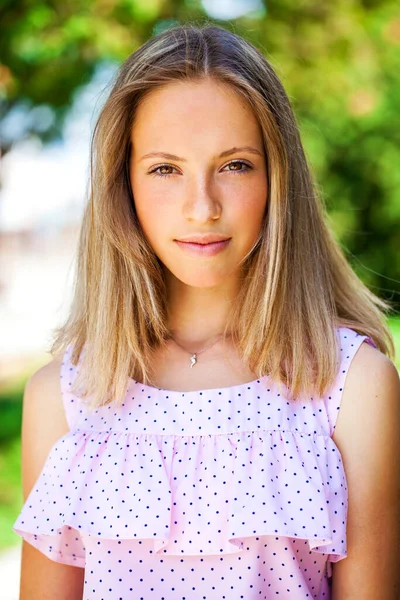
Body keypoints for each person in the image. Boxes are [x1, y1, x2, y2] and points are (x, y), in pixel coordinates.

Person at [13, 22, 400, 600]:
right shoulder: (65, 397)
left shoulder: (352, 385)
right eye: (165, 169)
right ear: (125, 186)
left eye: (235, 164)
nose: (202, 207)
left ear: (277, 179)